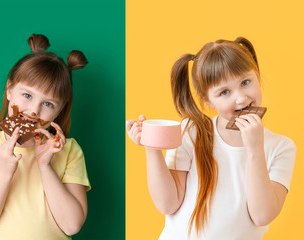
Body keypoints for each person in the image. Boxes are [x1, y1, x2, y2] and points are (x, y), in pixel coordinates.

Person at [127, 37, 296, 239]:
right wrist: (151, 146)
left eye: (245, 82)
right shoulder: (191, 132)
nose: (241, 98)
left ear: (257, 76)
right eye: (224, 92)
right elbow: (167, 203)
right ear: (208, 100)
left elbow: (262, 216)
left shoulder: (281, 147)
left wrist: (254, 149)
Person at [0, 34, 91, 239]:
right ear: (9, 90)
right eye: (27, 96)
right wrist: (4, 172)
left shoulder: (69, 151)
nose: (33, 111)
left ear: (60, 109)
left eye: (48, 104)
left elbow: (72, 225)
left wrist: (44, 165)